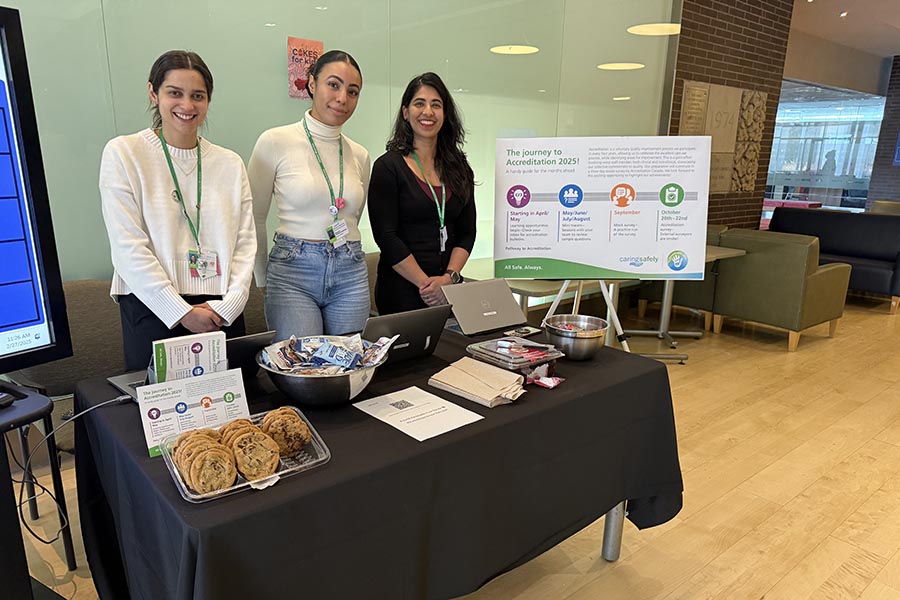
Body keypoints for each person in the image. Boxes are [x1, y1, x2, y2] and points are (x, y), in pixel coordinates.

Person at [100, 50, 256, 372]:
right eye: (175, 93)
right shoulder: (124, 153)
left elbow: (245, 244)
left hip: (220, 308)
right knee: (163, 403)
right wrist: (181, 312)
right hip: (152, 305)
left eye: (197, 96)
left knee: (232, 401)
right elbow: (127, 247)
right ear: (153, 93)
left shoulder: (230, 163)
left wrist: (230, 306)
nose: (187, 105)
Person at [249, 50, 370, 340]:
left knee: (350, 360)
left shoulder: (360, 154)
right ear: (312, 84)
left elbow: (352, 217)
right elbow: (254, 216)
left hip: (350, 269)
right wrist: (261, 275)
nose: (342, 98)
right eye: (333, 85)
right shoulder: (275, 141)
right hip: (293, 270)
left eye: (352, 91)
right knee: (302, 364)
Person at [368, 72, 476, 315]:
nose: (428, 112)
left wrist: (448, 279)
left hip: (449, 290)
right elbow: (386, 236)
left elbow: (467, 232)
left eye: (436, 105)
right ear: (406, 112)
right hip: (402, 291)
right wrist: (427, 286)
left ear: (445, 114)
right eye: (419, 103)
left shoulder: (459, 167)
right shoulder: (388, 167)